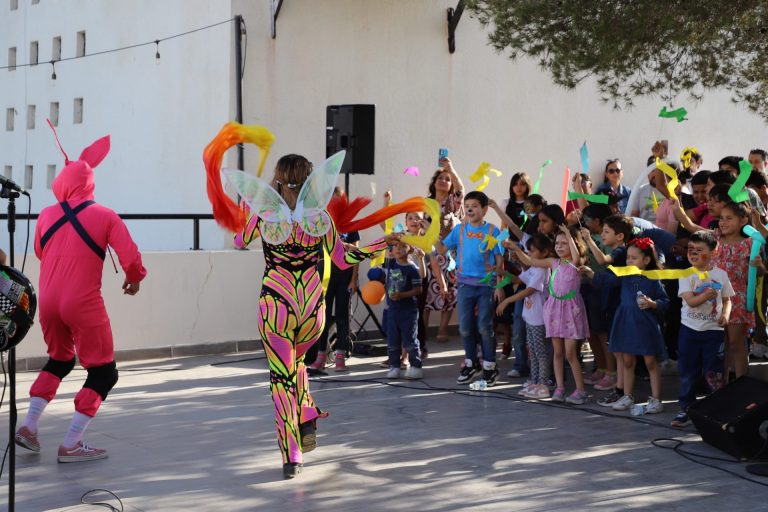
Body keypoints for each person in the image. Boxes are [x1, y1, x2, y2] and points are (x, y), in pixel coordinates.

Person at [203, 123, 399, 479]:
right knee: (297, 366)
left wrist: (254, 210)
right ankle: (306, 411)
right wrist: (379, 244)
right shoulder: (320, 219)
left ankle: (292, 455)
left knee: (281, 379)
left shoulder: (263, 216)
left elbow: (239, 242)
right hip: (311, 310)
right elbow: (343, 259)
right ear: (311, 182)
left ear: (278, 182)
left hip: (276, 306)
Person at [15, 126, 147, 463]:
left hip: (47, 301)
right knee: (104, 372)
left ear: (62, 182)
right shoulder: (105, 216)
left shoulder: (46, 215)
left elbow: (41, 252)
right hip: (82, 302)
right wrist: (134, 278)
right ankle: (72, 443)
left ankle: (29, 426)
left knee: (60, 360)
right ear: (89, 184)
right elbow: (130, 257)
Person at [581, 238, 669, 414]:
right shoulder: (624, 276)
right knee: (627, 361)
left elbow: (665, 301)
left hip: (645, 325)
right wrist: (590, 273)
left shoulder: (653, 279)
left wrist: (652, 304)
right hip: (625, 323)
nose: (629, 261)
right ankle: (627, 396)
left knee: (650, 362)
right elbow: (606, 280)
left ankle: (656, 399)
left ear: (646, 260)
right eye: (628, 257)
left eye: (634, 258)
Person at [673, 200, 756, 380]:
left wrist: (759, 265)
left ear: (743, 220)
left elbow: (760, 272)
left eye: (729, 218)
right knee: (720, 346)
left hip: (737, 299)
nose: (723, 222)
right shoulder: (715, 238)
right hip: (712, 298)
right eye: (721, 218)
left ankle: (742, 383)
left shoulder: (750, 244)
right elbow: (691, 226)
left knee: (736, 343)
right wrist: (678, 209)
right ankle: (720, 384)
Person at [510, 225, 590, 404]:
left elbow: (576, 256)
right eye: (557, 243)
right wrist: (516, 249)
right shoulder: (553, 262)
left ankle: (581, 391)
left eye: (564, 243)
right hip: (554, 309)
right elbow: (530, 261)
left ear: (574, 244)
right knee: (557, 352)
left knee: (570, 354)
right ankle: (559, 388)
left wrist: (569, 233)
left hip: (571, 311)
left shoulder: (575, 264)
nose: (559, 246)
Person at [437, 191, 504, 386]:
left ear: (484, 209)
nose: (469, 209)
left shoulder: (493, 231)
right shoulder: (459, 230)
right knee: (465, 327)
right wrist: (429, 232)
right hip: (465, 285)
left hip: (486, 286)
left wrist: (499, 285)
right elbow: (441, 249)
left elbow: (499, 258)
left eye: (474, 206)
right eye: (467, 206)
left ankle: (490, 366)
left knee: (484, 326)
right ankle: (471, 363)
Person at [671, 231, 733, 427]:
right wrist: (705, 296)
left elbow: (727, 300)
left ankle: (716, 411)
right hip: (689, 331)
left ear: (713, 252)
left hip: (713, 332)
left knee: (714, 373)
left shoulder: (721, 274)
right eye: (691, 249)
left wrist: (725, 315)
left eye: (699, 250)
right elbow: (690, 301)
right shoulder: (686, 274)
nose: (693, 253)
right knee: (688, 372)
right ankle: (686, 409)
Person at [307, 187, 360, 373]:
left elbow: (356, 253)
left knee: (342, 317)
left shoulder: (349, 224)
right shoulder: (321, 223)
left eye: (339, 200)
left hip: (345, 277)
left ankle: (340, 355)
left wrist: (354, 279)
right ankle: (321, 356)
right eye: (332, 200)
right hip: (325, 278)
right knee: (323, 316)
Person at [496, 234, 553, 399]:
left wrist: (507, 301)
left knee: (541, 353)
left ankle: (543, 383)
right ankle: (534, 381)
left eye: (532, 251)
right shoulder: (534, 268)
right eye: (528, 251)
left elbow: (529, 290)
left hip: (539, 319)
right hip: (530, 318)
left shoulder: (542, 270)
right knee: (533, 352)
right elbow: (518, 280)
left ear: (544, 252)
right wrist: (502, 272)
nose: (529, 254)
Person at [423, 158, 465, 343]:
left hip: (448, 253)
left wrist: (450, 168)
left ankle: (442, 329)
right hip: (427, 252)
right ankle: (422, 330)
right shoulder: (425, 203)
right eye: (440, 178)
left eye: (447, 179)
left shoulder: (452, 202)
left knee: (448, 291)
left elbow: (461, 189)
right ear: (434, 182)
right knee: (425, 292)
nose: (443, 181)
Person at [384, 240, 424, 379]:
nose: (398, 248)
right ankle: (394, 366)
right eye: (396, 246)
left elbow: (418, 290)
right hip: (392, 310)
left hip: (408, 311)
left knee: (410, 340)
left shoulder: (412, 269)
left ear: (410, 249)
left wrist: (402, 295)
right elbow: (384, 242)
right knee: (392, 340)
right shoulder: (391, 263)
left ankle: (416, 367)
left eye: (403, 246)